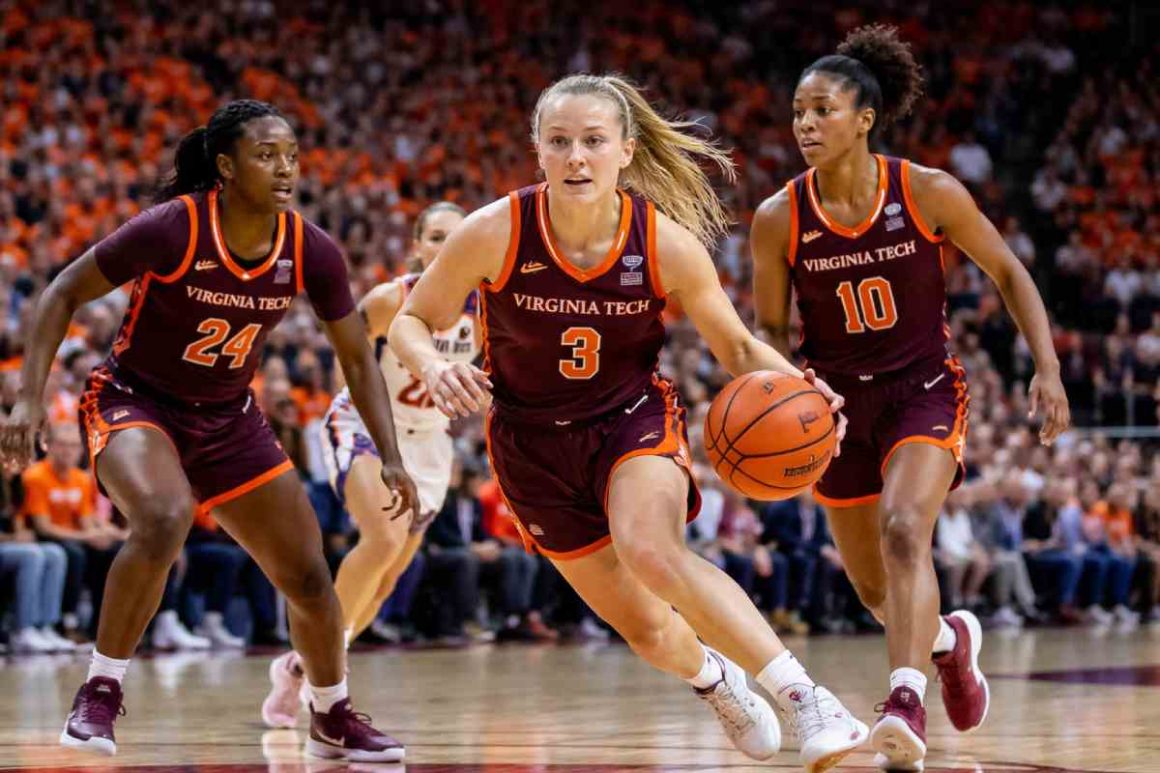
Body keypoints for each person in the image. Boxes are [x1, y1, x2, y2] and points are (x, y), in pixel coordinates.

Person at [390, 73, 868, 771]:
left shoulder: (664, 243)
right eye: (559, 142)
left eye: (592, 141)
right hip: (530, 445)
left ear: (625, 150)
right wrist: (433, 365)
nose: (576, 156)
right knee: (645, 628)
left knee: (652, 549)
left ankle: (809, 699)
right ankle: (714, 678)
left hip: (629, 421)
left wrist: (804, 389)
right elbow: (410, 321)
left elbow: (735, 347)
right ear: (538, 151)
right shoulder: (495, 230)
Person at [0, 100, 416, 762]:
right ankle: (100, 691)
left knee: (309, 575)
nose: (284, 168)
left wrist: (389, 453)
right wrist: (27, 401)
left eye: (291, 156)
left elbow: (358, 357)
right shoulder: (173, 227)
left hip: (228, 416)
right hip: (136, 400)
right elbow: (61, 293)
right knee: (164, 516)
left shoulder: (311, 247)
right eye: (265, 155)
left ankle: (331, 713)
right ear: (225, 166)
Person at [749, 25, 1071, 770]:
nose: (805, 124)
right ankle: (948, 645)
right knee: (871, 585)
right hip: (833, 406)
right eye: (798, 111)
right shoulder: (779, 217)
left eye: (822, 109)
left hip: (922, 387)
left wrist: (1047, 366)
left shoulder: (926, 190)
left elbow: (1009, 272)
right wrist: (785, 387)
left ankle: (903, 698)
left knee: (903, 532)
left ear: (865, 118)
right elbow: (767, 326)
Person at [261, 201, 477, 727]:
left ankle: (297, 669)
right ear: (418, 246)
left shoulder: (486, 309)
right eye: (436, 237)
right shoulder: (391, 299)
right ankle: (325, 677)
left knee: (385, 580)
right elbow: (347, 344)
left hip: (428, 443)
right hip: (364, 427)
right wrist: (351, 398)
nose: (446, 247)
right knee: (380, 538)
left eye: (457, 237)